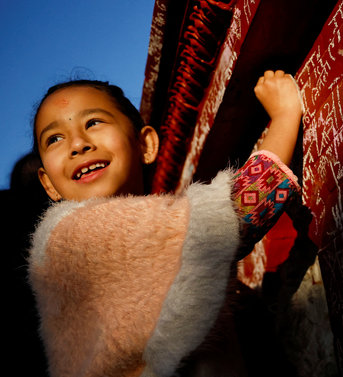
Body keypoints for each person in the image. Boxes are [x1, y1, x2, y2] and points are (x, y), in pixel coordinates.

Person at [27, 70, 303, 377]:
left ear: (145, 144)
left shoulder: (143, 243)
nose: (77, 144)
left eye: (93, 122)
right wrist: (285, 114)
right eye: (54, 139)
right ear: (48, 184)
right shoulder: (70, 237)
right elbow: (243, 209)